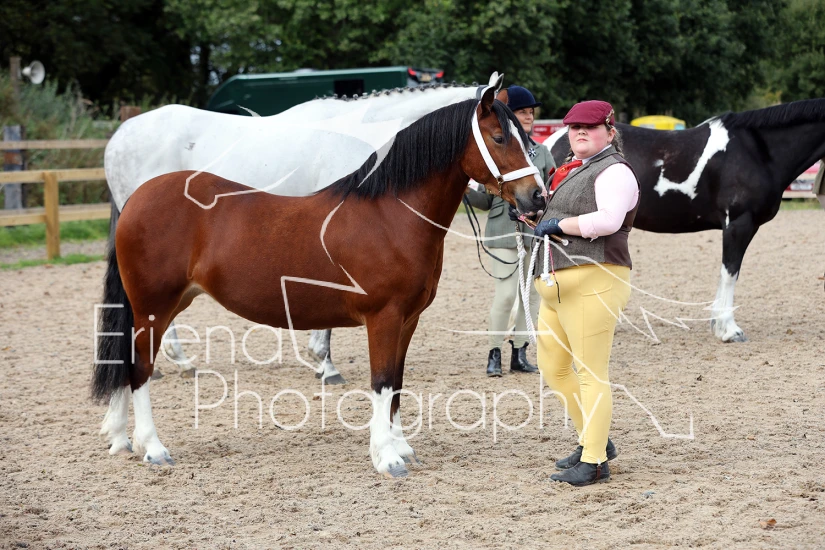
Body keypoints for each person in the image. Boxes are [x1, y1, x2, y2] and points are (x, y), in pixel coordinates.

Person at [531, 100, 640, 486]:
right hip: (556, 282)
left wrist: (559, 224)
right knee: (554, 369)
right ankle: (595, 438)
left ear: (609, 132)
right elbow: (562, 217)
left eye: (590, 126)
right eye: (574, 126)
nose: (580, 131)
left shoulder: (615, 171)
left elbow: (608, 220)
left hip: (596, 278)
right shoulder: (574, 169)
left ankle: (594, 461)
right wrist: (537, 218)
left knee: (591, 373)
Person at [465, 85, 556, 377]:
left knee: (531, 297)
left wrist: (542, 209)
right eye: (522, 112)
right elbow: (484, 201)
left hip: (534, 235)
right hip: (503, 233)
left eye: (531, 112)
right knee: (506, 295)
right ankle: (494, 352)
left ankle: (520, 352)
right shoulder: (499, 153)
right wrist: (465, 190)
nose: (528, 117)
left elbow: (552, 193)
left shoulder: (542, 153)